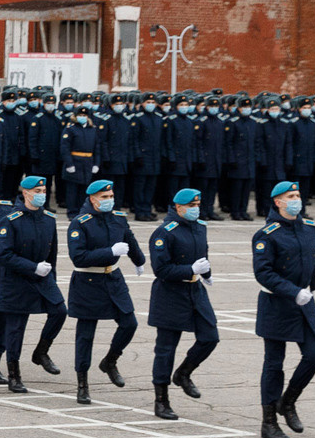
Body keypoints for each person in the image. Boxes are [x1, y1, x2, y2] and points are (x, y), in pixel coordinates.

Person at [250, 179, 315, 438]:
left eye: (298, 195)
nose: (296, 200)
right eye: (291, 197)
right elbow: (263, 273)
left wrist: (310, 286)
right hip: (277, 304)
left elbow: (311, 260)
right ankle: (269, 421)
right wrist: (293, 291)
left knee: (314, 356)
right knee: (274, 363)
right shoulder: (267, 234)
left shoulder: (309, 228)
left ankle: (287, 401)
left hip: (303, 302)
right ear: (278, 202)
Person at [64, 178, 144, 405]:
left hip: (112, 279)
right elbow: (78, 257)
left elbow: (129, 240)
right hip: (88, 281)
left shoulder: (118, 218)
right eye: (104, 197)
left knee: (129, 323)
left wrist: (139, 261)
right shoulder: (80, 223)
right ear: (92, 199)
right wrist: (110, 251)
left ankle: (110, 360)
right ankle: (82, 383)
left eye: (111, 196)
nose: (109, 200)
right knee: (86, 335)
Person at [145, 188, 217, 421]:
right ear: (178, 207)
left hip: (195, 290)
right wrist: (190, 269)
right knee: (166, 349)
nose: (196, 209)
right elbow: (161, 269)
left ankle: (184, 372)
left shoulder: (200, 227)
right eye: (191, 206)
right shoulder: (165, 232)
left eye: (198, 205)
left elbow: (203, 254)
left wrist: (206, 273)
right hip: (171, 293)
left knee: (210, 337)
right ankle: (161, 400)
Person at [0, 175, 65, 390]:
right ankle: (14, 374)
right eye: (37, 192)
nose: (42, 195)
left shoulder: (48, 219)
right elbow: (5, 255)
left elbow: (52, 253)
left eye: (44, 191)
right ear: (26, 193)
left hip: (42, 278)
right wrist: (32, 267)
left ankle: (41, 351)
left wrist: (51, 278)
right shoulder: (11, 220)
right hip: (17, 280)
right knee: (15, 329)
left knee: (60, 311)